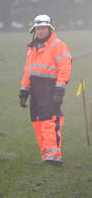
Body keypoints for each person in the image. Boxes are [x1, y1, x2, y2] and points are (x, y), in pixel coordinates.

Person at [19, 15, 72, 166]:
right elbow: (28, 71)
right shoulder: (32, 48)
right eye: (37, 29)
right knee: (38, 122)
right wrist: (24, 92)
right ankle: (46, 154)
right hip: (35, 90)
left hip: (50, 88)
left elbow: (65, 68)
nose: (40, 31)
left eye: (43, 28)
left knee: (50, 120)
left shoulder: (58, 45)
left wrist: (59, 91)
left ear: (50, 29)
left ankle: (53, 155)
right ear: (34, 30)